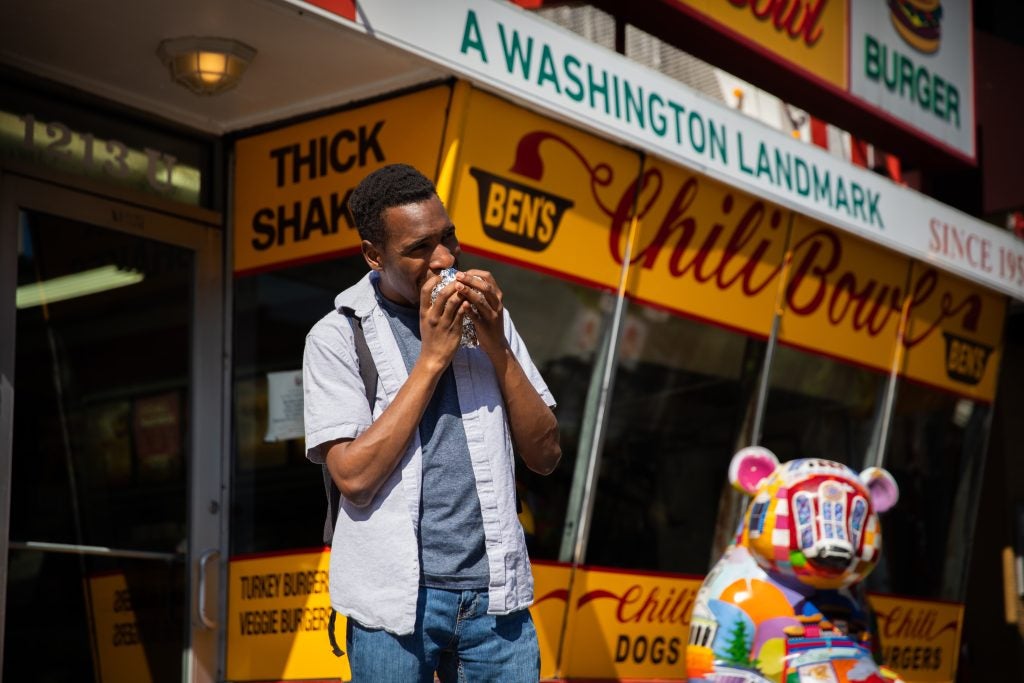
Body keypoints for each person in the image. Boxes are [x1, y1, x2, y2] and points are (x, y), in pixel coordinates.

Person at [302, 163, 561, 682]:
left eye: (448, 238)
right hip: (395, 605)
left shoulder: (488, 316)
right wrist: (431, 358)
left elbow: (546, 454)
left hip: (496, 602)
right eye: (419, 248)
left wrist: (496, 345)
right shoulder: (336, 336)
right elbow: (353, 478)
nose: (443, 259)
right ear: (374, 256)